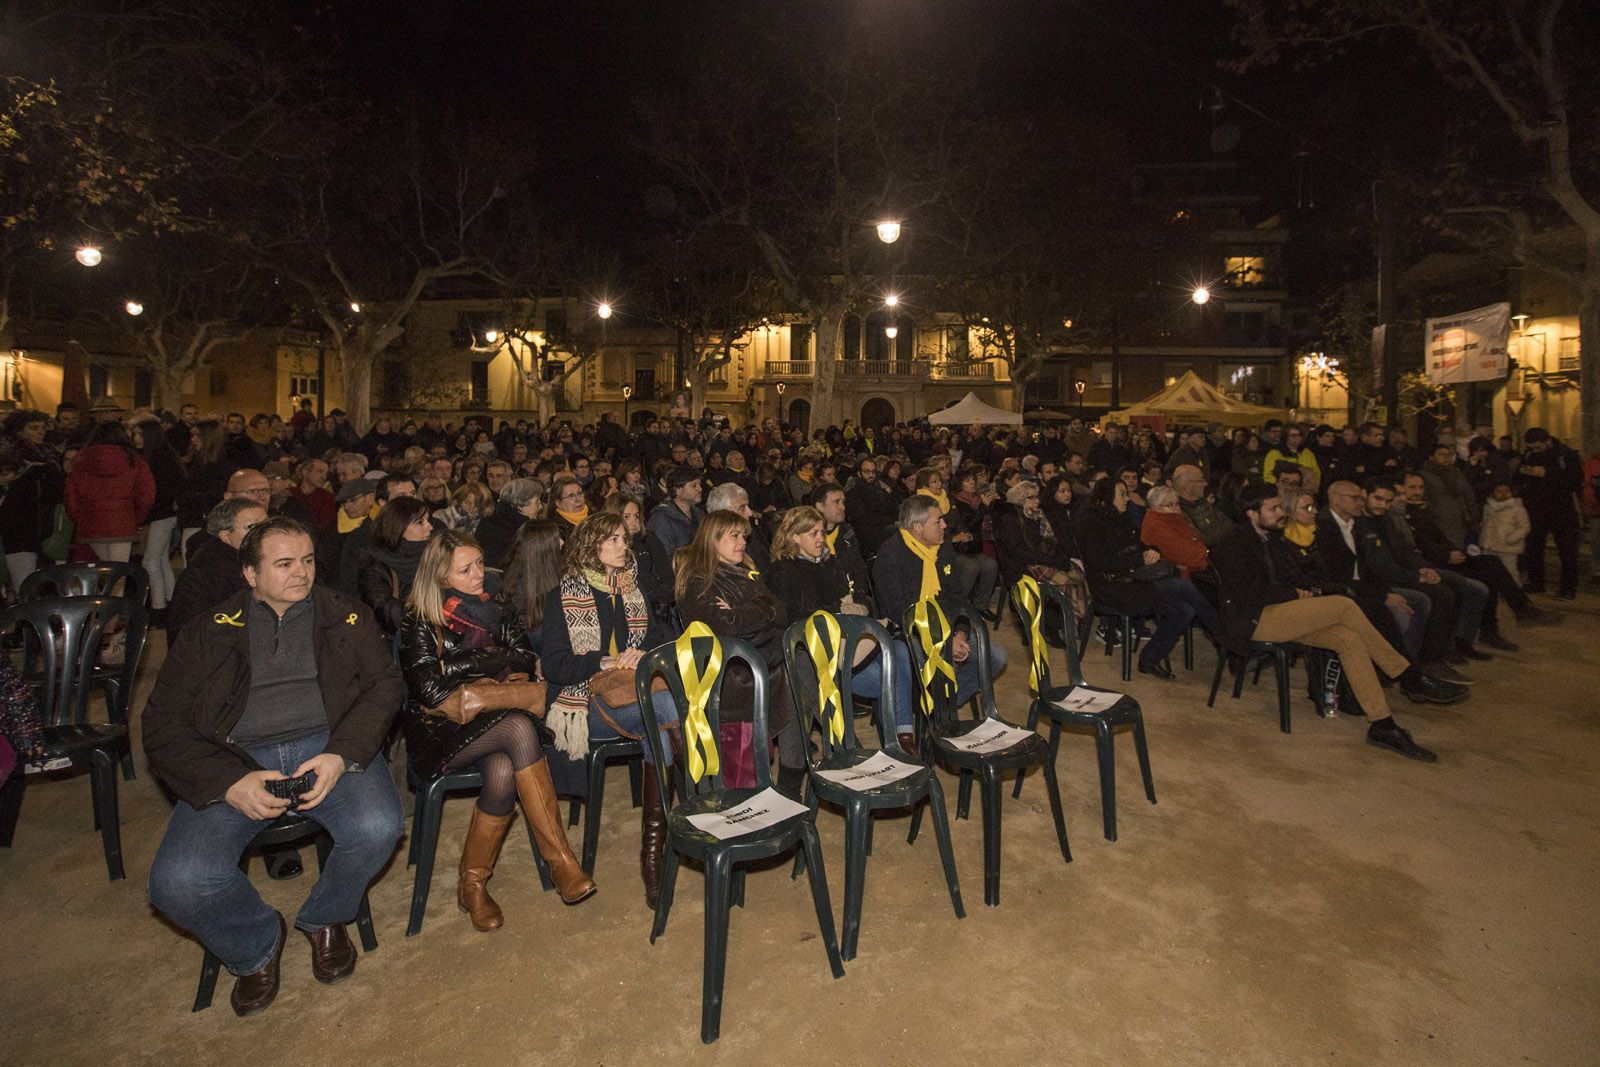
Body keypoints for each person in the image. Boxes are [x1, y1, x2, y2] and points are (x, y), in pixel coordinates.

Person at [145, 517, 405, 1016]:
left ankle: (326, 917)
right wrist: (228, 782)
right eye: (284, 564)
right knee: (177, 882)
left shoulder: (345, 617)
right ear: (250, 573)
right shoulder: (209, 631)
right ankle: (256, 942)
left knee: (379, 826)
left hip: (326, 741)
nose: (301, 573)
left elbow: (384, 688)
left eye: (307, 561)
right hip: (237, 756)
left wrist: (343, 753)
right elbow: (161, 724)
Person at [397, 528, 595, 924]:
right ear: (440, 577)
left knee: (504, 769)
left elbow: (523, 658)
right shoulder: (421, 619)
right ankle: (562, 861)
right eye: (465, 569)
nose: (478, 575)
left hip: (493, 718)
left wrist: (465, 667)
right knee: (521, 728)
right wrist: (489, 661)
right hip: (440, 731)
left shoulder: (495, 605)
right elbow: (431, 690)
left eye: (479, 565)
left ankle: (472, 885)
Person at [1210, 484, 1453, 762]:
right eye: (1274, 508)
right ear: (1252, 514)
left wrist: (1315, 589)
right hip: (1251, 619)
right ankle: (1409, 675)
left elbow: (1295, 578)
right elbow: (1248, 595)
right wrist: (1294, 593)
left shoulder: (1273, 539)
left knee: (1347, 639)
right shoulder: (1232, 543)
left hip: (1284, 612)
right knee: (1344, 607)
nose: (1281, 513)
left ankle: (1382, 724)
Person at [525, 513, 681, 908]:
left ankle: (652, 856)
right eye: (613, 540)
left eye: (624, 540)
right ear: (591, 546)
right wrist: (603, 662)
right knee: (666, 705)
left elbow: (659, 635)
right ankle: (696, 802)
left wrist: (642, 652)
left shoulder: (632, 589)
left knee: (660, 726)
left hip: (633, 700)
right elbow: (557, 664)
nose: (623, 546)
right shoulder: (564, 594)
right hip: (583, 703)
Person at [674, 509, 806, 796]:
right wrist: (761, 614)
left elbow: (780, 612)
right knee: (795, 669)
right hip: (730, 676)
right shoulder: (698, 580)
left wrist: (747, 613)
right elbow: (725, 627)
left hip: (758, 662)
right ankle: (786, 781)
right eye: (734, 535)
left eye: (744, 536)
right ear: (712, 539)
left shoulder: (745, 569)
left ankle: (790, 779)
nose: (742, 542)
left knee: (798, 664)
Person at [765, 506, 918, 753]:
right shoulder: (784, 571)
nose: (820, 539)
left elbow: (857, 592)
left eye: (821, 533)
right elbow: (794, 617)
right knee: (896, 678)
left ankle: (903, 734)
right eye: (813, 533)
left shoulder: (830, 561)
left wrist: (861, 606)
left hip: (850, 640)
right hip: (819, 652)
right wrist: (840, 607)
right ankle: (897, 738)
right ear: (794, 536)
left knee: (898, 649)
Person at [871, 494, 1009, 706]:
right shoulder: (891, 555)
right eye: (938, 521)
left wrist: (960, 632)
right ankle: (934, 710)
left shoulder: (942, 548)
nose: (945, 525)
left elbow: (956, 596)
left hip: (946, 625)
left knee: (996, 657)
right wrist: (944, 641)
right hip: (909, 632)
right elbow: (900, 612)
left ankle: (941, 707)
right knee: (940, 663)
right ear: (917, 528)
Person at [1073, 476, 1216, 680]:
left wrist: (1151, 552)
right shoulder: (1091, 524)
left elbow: (1140, 544)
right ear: (1106, 498)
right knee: (1182, 587)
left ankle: (1149, 659)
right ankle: (1223, 636)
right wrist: (1140, 559)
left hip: (1133, 581)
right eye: (1121, 495)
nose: (1127, 499)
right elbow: (1104, 563)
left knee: (1186, 609)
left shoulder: (1121, 518)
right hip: (1111, 586)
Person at [165, 498, 268, 644]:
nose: (265, 533)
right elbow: (191, 640)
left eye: (267, 525)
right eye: (252, 527)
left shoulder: (262, 561)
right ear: (226, 536)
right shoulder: (207, 575)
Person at [64, 421, 155, 563]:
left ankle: (104, 586)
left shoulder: (81, 460)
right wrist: (134, 519)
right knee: (118, 573)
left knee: (104, 569)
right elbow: (146, 494)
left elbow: (71, 496)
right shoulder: (134, 459)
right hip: (122, 522)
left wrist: (81, 520)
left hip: (91, 525)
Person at [1515, 428, 1582, 599]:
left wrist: (1547, 474)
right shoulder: (1529, 454)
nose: (1535, 451)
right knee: (1534, 547)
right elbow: (1518, 477)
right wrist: (1525, 473)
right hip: (1536, 509)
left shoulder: (1565, 455)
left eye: (1539, 447)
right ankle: (1536, 582)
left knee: (1567, 550)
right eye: (1532, 448)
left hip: (1562, 511)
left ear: (1547, 441)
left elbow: (1575, 481)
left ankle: (1568, 587)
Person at [357, 497, 434, 637]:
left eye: (428, 520)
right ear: (398, 528)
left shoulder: (436, 556)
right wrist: (433, 617)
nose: (430, 526)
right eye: (420, 522)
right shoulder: (375, 566)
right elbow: (386, 612)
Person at [131, 416, 184, 618]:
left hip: (162, 514)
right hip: (164, 514)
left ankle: (159, 607)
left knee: (151, 561)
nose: (135, 438)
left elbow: (160, 491)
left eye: (139, 434)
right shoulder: (161, 455)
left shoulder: (158, 459)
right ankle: (169, 601)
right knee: (160, 560)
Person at [811, 481, 874, 612]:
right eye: (836, 502)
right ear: (819, 507)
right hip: (829, 610)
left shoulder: (847, 533)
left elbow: (859, 572)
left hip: (855, 601)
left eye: (843, 502)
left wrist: (861, 601)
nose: (843, 507)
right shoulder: (809, 541)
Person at [1139, 485, 1209, 579]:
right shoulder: (1155, 526)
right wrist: (1207, 553)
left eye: (1177, 504)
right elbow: (1183, 554)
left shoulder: (1172, 519)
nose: (1175, 508)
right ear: (1155, 507)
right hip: (1186, 574)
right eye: (1169, 505)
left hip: (1200, 562)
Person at [475, 477, 544, 570]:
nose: (540, 506)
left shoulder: (491, 519)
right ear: (521, 505)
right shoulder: (520, 530)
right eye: (537, 502)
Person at [1479, 481, 1533, 586]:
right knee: (1490, 572)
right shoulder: (1488, 507)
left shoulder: (1517, 509)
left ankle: (1515, 594)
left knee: (1510, 572)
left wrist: (1511, 538)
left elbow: (1525, 526)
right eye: (1499, 491)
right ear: (1492, 493)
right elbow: (1485, 523)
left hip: (1507, 547)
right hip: (1489, 545)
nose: (1503, 494)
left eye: (1507, 491)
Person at [647, 465, 706, 555]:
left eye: (700, 485)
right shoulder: (661, 519)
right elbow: (664, 558)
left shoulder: (699, 514)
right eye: (694, 486)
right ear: (677, 490)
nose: (700, 489)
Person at [845, 456, 898, 554]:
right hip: (868, 536)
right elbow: (863, 518)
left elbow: (893, 509)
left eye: (873, 472)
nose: (870, 475)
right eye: (866, 471)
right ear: (859, 474)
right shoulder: (852, 494)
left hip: (885, 529)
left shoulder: (880, 490)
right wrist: (891, 521)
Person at [548, 471, 589, 540]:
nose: (578, 499)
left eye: (579, 493)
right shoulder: (554, 529)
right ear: (558, 503)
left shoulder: (595, 517)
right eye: (571, 495)